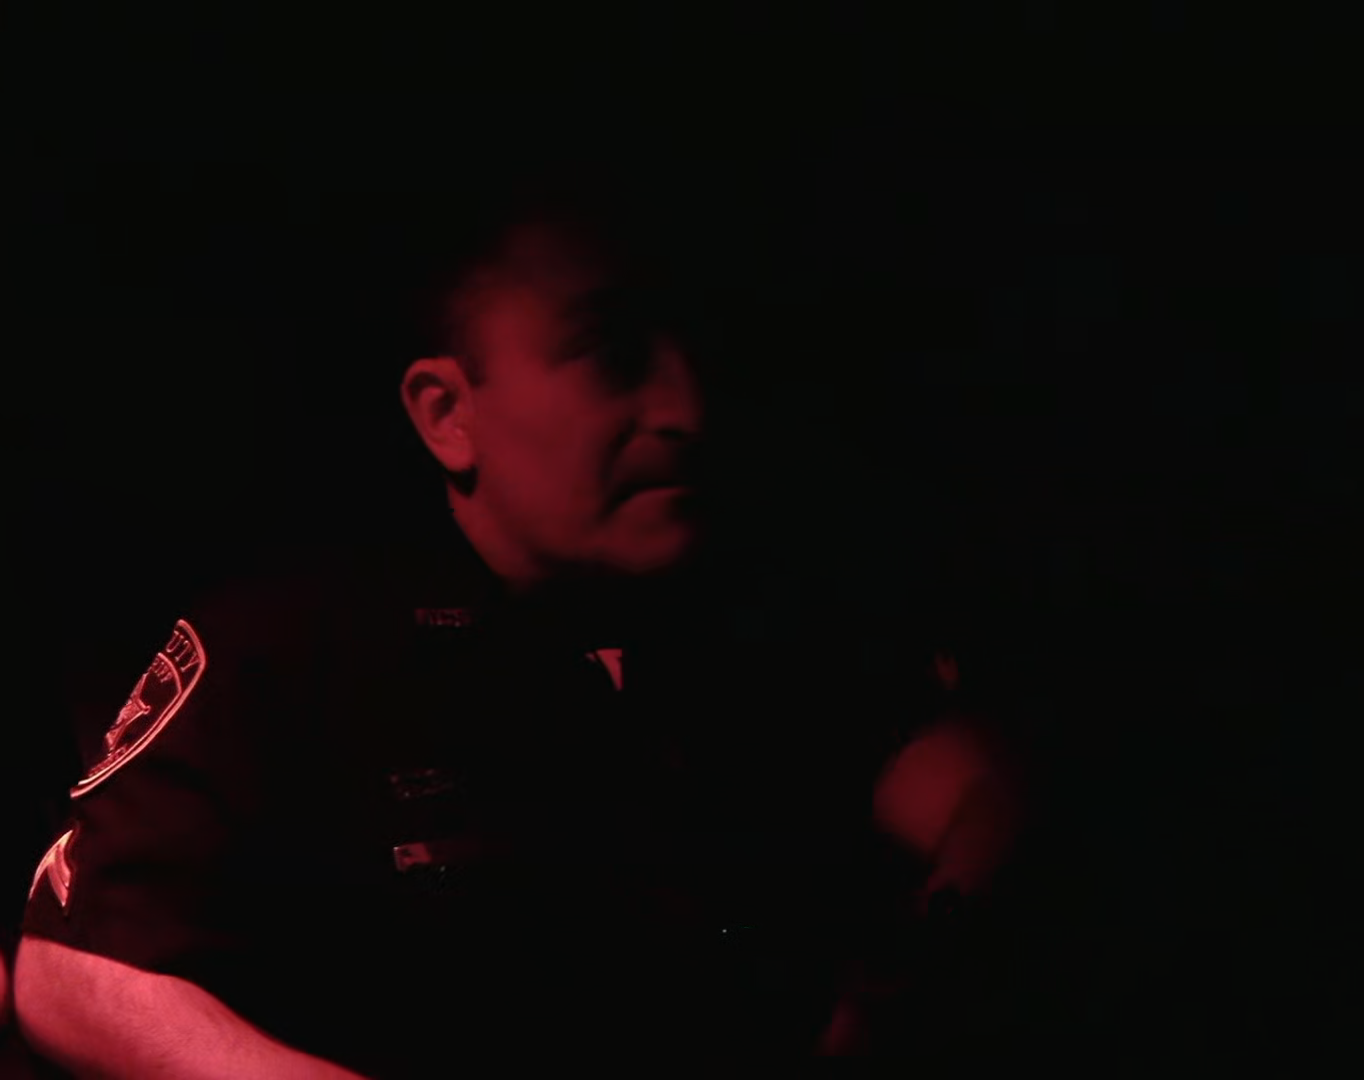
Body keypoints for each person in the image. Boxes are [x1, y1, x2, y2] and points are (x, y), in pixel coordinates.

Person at [12, 170, 1024, 1076]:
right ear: (446, 414)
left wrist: (918, 969)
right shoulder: (296, 639)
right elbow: (75, 976)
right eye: (612, 355)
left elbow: (985, 786)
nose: (687, 410)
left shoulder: (759, 622)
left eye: (699, 352)